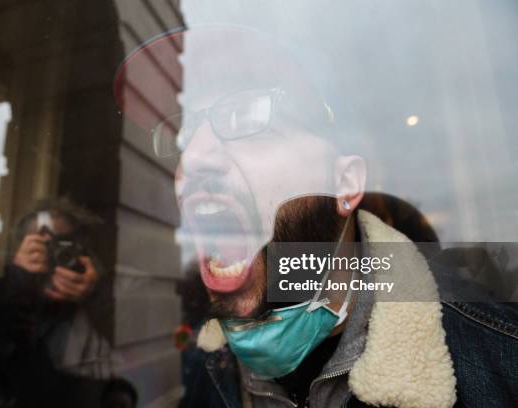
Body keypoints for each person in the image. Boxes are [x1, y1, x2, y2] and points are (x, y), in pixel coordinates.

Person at [114, 26, 518, 407]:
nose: (195, 158)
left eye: (243, 116)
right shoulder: (207, 363)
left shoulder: (496, 361)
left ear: (344, 185)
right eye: (184, 133)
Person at [0, 198, 113, 407]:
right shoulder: (14, 304)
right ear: (24, 249)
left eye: (65, 244)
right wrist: (15, 281)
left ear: (85, 252)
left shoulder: (103, 300)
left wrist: (95, 296)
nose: (57, 255)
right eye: (45, 246)